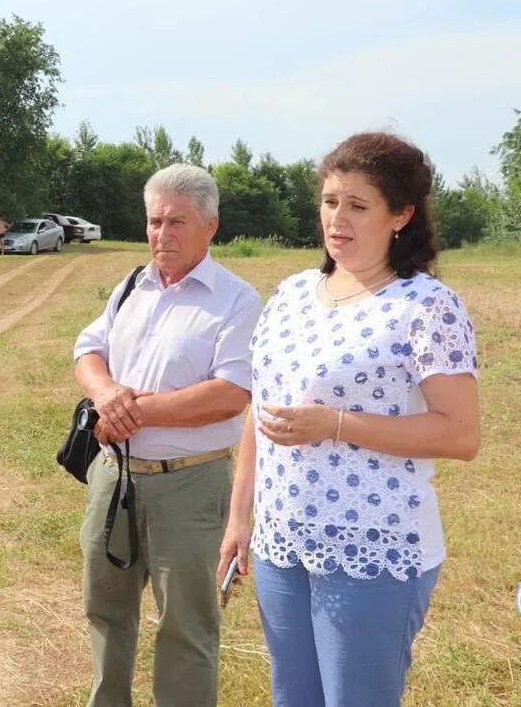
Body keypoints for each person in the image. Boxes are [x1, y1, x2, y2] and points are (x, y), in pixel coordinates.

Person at [218, 132, 480, 706]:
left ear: (401, 215)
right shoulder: (290, 295)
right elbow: (258, 415)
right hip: (280, 545)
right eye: (331, 200)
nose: (338, 218)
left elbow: (461, 435)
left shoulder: (427, 306)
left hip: (374, 551)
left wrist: (337, 423)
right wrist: (241, 520)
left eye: (359, 205)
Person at [73, 163, 262, 707]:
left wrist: (136, 411)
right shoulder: (132, 284)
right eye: (155, 221)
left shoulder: (237, 300)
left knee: (186, 628)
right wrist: (107, 394)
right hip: (114, 478)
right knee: (105, 612)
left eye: (178, 222)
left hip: (191, 485)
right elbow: (88, 350)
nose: (163, 234)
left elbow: (231, 392)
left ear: (211, 226)